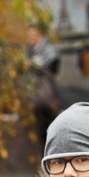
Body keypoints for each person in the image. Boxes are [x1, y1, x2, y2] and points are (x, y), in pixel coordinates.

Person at [25, 21, 61, 152]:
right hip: (36, 98)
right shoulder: (29, 50)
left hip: (48, 96)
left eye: (32, 35)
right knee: (42, 132)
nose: (30, 38)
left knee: (52, 129)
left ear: (39, 35)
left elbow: (53, 65)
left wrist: (33, 63)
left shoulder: (48, 50)